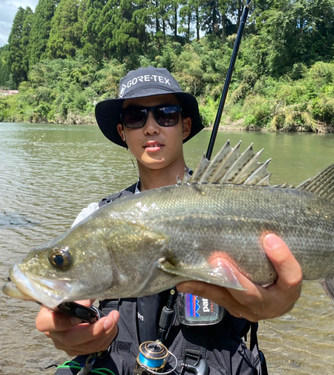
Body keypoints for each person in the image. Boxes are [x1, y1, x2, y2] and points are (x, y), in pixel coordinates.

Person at [36, 66, 303, 375]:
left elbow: (280, 279)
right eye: (136, 117)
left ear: (185, 126)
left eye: (165, 114)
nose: (151, 127)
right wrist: (65, 323)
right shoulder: (94, 218)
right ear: (123, 132)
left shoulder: (243, 202)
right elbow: (71, 292)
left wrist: (281, 302)